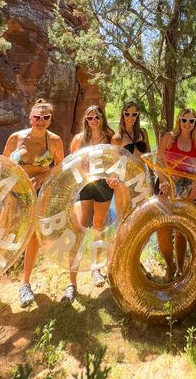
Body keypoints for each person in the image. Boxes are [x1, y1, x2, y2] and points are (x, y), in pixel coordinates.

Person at [0, 99, 64, 315]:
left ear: (50, 119)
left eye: (46, 117)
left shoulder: (55, 141)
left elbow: (61, 169)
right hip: (14, 195)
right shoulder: (16, 138)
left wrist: (46, 173)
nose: (41, 121)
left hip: (39, 195)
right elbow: (2, 164)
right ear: (30, 118)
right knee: (1, 238)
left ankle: (25, 285)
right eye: (37, 117)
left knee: (33, 239)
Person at [61, 105, 115, 303]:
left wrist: (113, 177)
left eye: (97, 116)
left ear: (102, 118)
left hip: (103, 185)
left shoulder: (110, 136)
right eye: (90, 117)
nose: (93, 120)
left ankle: (95, 269)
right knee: (79, 228)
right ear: (86, 119)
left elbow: (116, 162)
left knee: (99, 226)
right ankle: (71, 283)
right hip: (84, 186)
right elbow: (71, 164)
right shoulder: (79, 140)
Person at [157, 108, 196, 281]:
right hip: (166, 185)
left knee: (182, 230)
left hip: (187, 188)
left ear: (195, 123)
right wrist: (162, 182)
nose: (188, 124)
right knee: (163, 228)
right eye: (185, 120)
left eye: (191, 121)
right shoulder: (169, 138)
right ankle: (169, 267)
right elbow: (158, 162)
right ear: (179, 120)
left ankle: (181, 268)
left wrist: (195, 187)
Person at [111, 101, 151, 214]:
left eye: (134, 114)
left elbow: (149, 156)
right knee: (125, 215)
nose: (130, 117)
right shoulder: (117, 138)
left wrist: (151, 176)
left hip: (142, 177)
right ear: (122, 115)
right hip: (125, 179)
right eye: (127, 114)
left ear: (137, 116)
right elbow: (114, 163)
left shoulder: (143, 133)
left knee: (142, 214)